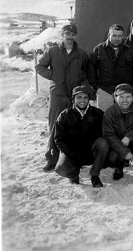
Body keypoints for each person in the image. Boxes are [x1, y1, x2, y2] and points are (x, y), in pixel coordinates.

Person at [35, 24, 89, 172]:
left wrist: (81, 87)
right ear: (62, 35)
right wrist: (53, 76)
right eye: (67, 34)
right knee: (54, 126)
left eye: (72, 34)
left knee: (74, 127)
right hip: (57, 94)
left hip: (74, 96)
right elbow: (39, 67)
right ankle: (52, 159)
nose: (70, 37)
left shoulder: (81, 54)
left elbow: (85, 72)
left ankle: (73, 158)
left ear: (75, 36)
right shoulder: (52, 51)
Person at [54, 85, 119, 188]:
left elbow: (107, 133)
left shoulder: (97, 113)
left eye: (85, 97)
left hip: (91, 150)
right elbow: (59, 138)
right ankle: (74, 175)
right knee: (61, 168)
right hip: (73, 151)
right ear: (73, 99)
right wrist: (72, 154)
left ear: (89, 99)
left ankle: (95, 175)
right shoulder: (64, 116)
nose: (82, 101)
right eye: (79, 97)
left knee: (103, 143)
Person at [103, 84, 133, 184]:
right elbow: (109, 135)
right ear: (115, 98)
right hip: (119, 144)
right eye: (121, 97)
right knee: (112, 157)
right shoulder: (109, 113)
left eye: (128, 96)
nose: (125, 100)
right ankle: (119, 168)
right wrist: (124, 151)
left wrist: (129, 136)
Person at [88, 24, 133, 111]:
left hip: (125, 93)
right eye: (114, 35)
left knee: (124, 120)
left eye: (120, 36)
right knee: (105, 119)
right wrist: (97, 88)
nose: (117, 38)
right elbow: (91, 69)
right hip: (105, 92)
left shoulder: (131, 50)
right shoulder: (99, 49)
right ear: (108, 35)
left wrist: (132, 89)